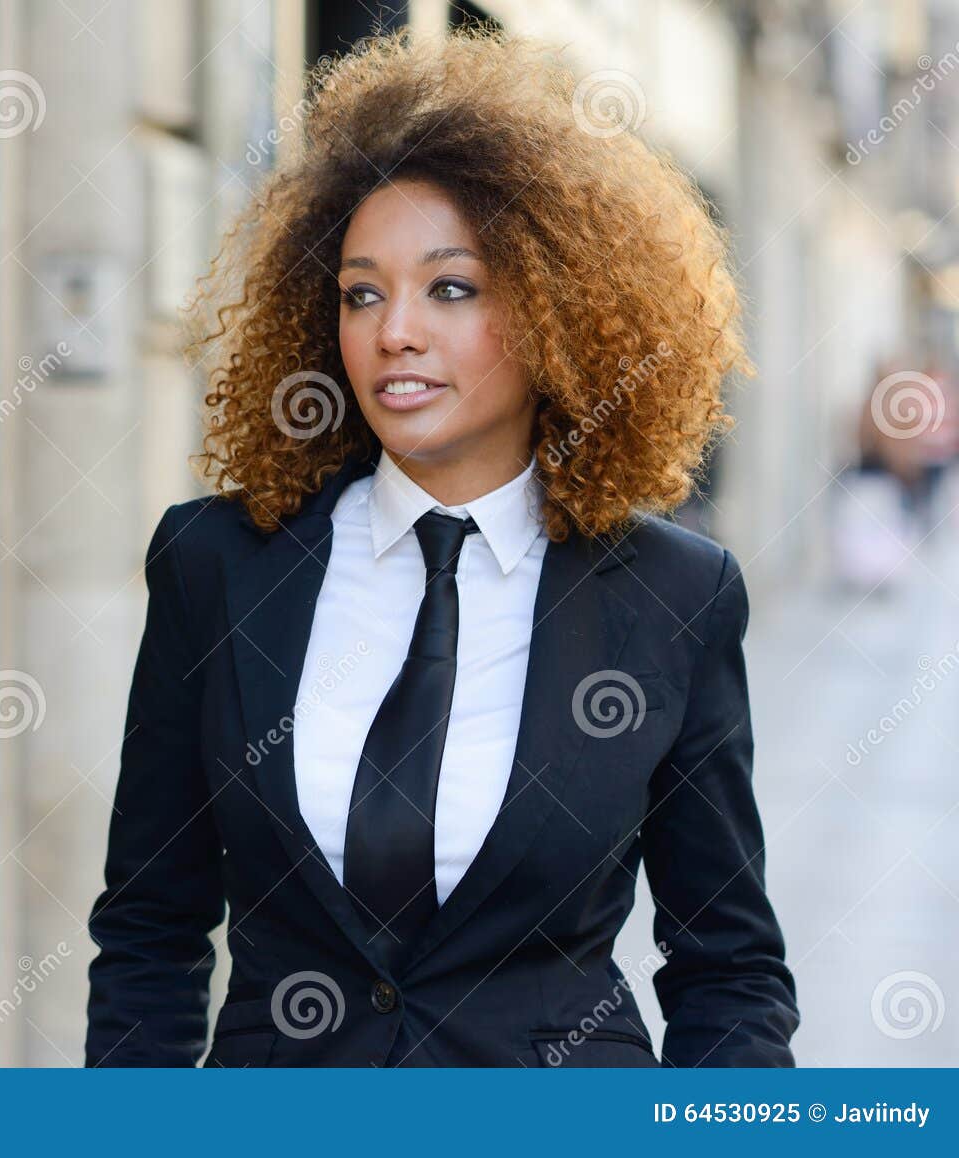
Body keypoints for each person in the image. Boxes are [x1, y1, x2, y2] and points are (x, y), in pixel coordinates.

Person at [84, 29, 799, 1068]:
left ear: (555, 308)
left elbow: (725, 967)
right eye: (361, 293)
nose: (394, 332)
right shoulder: (216, 566)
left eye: (450, 288)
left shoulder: (673, 596)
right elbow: (150, 926)